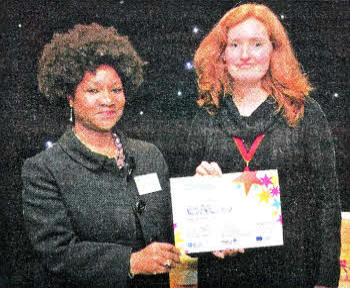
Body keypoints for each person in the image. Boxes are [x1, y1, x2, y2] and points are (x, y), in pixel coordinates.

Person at [186, 3, 341, 288]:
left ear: (274, 49)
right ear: (221, 53)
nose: (245, 55)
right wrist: (203, 216)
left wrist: (325, 281)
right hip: (223, 275)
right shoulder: (205, 117)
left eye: (256, 43)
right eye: (234, 44)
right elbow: (190, 230)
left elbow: (327, 204)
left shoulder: (305, 113)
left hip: (294, 274)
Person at [21, 23, 180, 288]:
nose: (108, 100)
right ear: (70, 97)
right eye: (93, 91)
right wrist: (132, 262)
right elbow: (57, 253)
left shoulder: (149, 155)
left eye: (116, 90)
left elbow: (175, 228)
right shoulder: (45, 170)